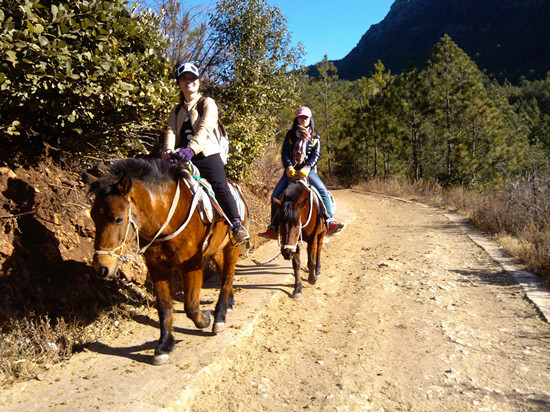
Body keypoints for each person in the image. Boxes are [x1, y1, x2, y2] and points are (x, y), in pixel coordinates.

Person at [163, 62, 250, 245]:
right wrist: (168, 151)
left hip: (206, 155)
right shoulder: (177, 110)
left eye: (192, 78)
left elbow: (205, 128)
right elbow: (171, 131)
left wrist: (191, 149)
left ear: (198, 82)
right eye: (184, 78)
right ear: (179, 83)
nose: (189, 82)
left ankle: (236, 224)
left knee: (220, 186)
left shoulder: (207, 103)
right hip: (182, 157)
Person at [258, 106, 344, 240]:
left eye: (306, 117)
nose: (303, 120)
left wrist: (308, 167)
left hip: (307, 172)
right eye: (301, 117)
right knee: (275, 195)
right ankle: (273, 228)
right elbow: (285, 154)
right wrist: (289, 167)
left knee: (322, 191)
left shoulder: (316, 136)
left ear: (310, 119)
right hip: (291, 172)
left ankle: (329, 221)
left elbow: (316, 155)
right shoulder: (290, 135)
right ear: (297, 118)